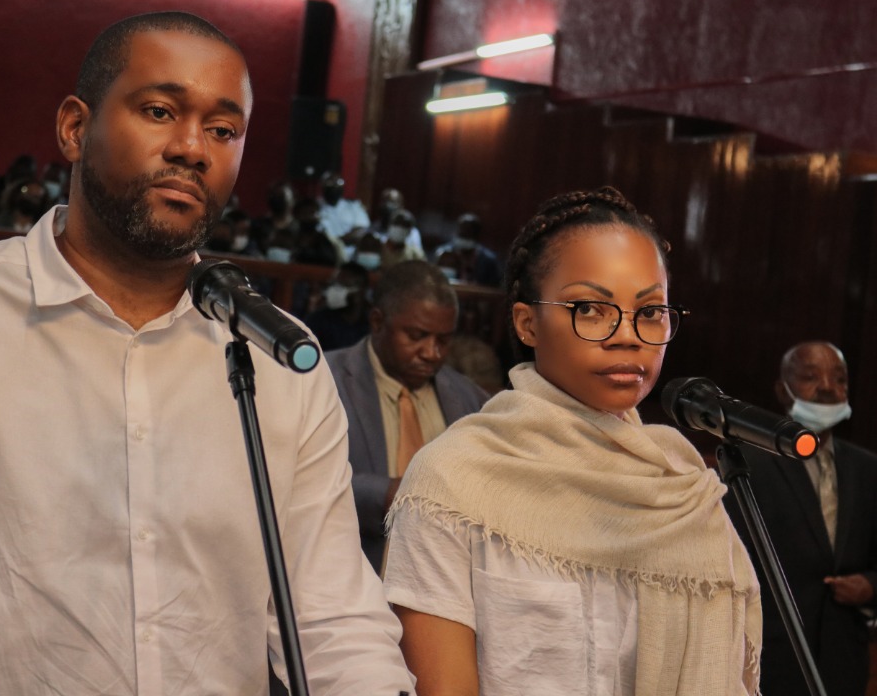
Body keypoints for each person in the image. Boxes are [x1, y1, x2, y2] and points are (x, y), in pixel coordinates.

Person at [0, 11, 413, 696]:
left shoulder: (276, 355)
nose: (193, 149)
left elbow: (333, 619)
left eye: (223, 130)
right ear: (73, 128)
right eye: (160, 111)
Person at [385, 186, 761, 695]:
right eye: (590, 308)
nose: (627, 335)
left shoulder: (683, 488)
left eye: (650, 311)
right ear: (527, 323)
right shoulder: (452, 483)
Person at [725, 341, 877, 696]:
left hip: (844, 660)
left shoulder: (868, 469)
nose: (827, 387)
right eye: (810, 377)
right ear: (783, 390)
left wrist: (871, 586)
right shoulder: (745, 464)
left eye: (839, 379)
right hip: (769, 659)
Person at [327, 261, 489, 574]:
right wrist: (387, 495)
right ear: (377, 322)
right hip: (350, 571)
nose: (431, 352)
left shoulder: (469, 397)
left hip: (448, 577)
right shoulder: (325, 380)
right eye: (417, 336)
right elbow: (295, 478)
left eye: (444, 340)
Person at [303, 262, 371, 351]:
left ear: (360, 292)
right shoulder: (317, 320)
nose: (334, 291)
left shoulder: (371, 325)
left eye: (342, 286)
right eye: (334, 285)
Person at [432, 212, 502, 287]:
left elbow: (494, 287)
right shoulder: (444, 254)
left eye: (468, 234)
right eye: (462, 233)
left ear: (477, 235)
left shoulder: (488, 260)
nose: (464, 235)